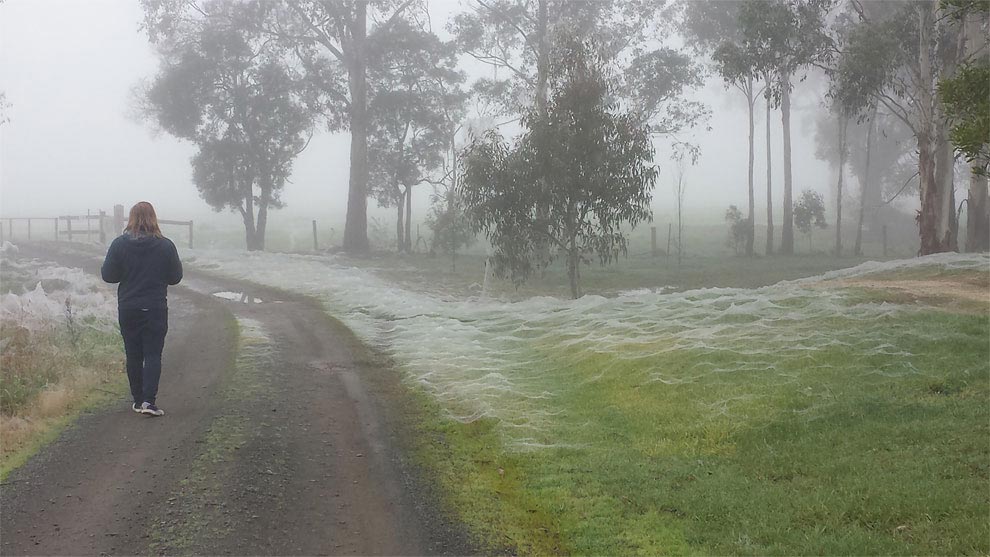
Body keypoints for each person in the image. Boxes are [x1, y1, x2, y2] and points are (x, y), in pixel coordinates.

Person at [101, 201, 183, 417]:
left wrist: (127, 273)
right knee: (153, 354)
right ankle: (149, 401)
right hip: (155, 307)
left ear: (131, 218)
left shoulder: (119, 244)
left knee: (133, 354)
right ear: (153, 218)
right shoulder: (166, 245)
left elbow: (108, 275)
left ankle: (137, 401)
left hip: (128, 307)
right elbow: (176, 278)